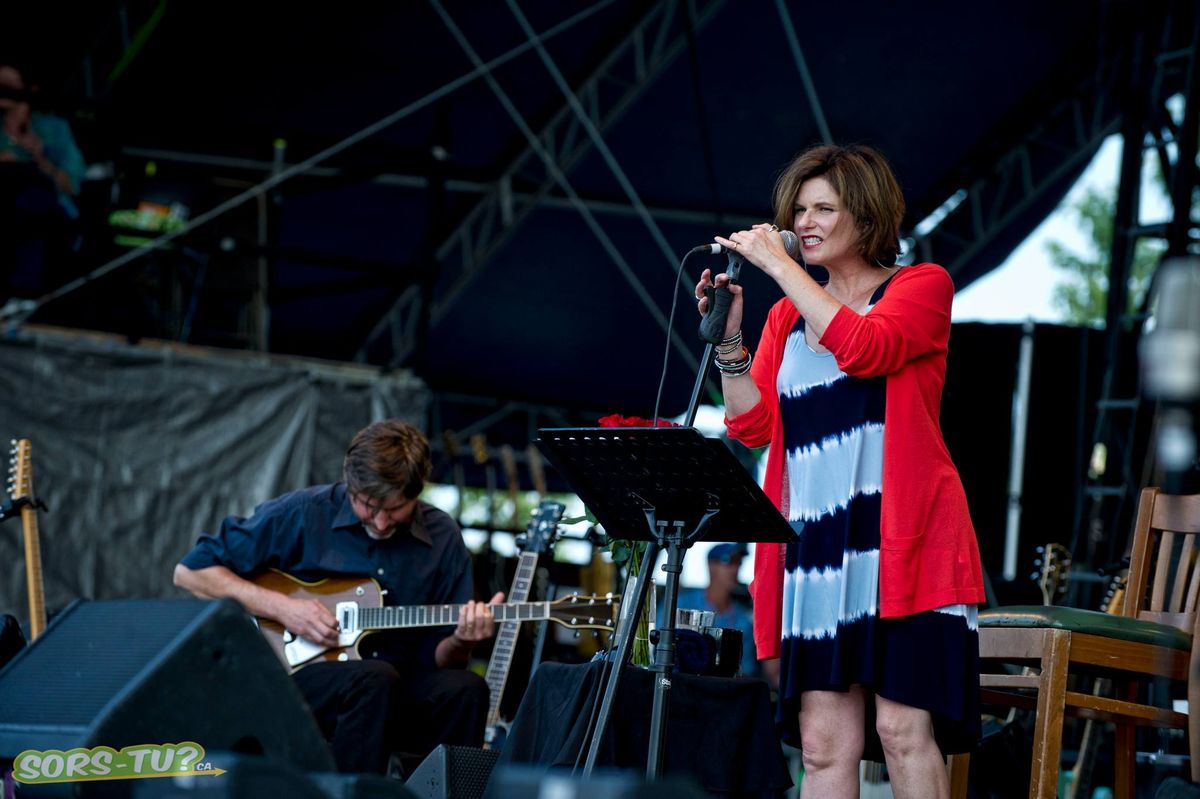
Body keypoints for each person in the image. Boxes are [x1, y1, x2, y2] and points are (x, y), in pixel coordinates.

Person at [695, 143, 984, 799]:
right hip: (817, 547)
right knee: (825, 747)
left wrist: (780, 266)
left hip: (903, 542)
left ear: (867, 214)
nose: (805, 222)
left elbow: (867, 348)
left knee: (904, 729)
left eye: (824, 208)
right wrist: (732, 345)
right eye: (799, 209)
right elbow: (752, 425)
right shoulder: (784, 315)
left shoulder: (920, 286)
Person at [174, 419, 503, 775]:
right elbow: (191, 572)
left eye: (395, 509)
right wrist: (285, 609)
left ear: (418, 491)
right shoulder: (303, 512)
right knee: (375, 679)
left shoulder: (443, 538)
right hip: (299, 679)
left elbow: (443, 660)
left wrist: (461, 640)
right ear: (350, 483)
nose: (380, 522)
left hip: (398, 684)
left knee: (467, 689)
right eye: (368, 505)